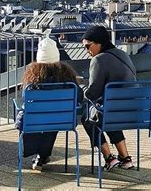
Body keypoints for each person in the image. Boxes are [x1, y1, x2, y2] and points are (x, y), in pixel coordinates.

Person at [16, 37, 83, 171]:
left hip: (33, 121)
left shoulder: (32, 81)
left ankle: (32, 152)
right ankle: (43, 155)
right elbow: (79, 97)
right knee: (52, 120)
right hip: (63, 120)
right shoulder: (68, 78)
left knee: (33, 117)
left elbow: (25, 98)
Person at [81, 25, 136, 171]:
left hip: (114, 111)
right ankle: (125, 158)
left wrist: (81, 89)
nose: (87, 51)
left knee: (88, 117)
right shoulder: (123, 54)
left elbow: (92, 93)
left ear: (99, 43)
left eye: (88, 46)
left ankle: (109, 157)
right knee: (106, 112)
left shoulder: (98, 60)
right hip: (135, 111)